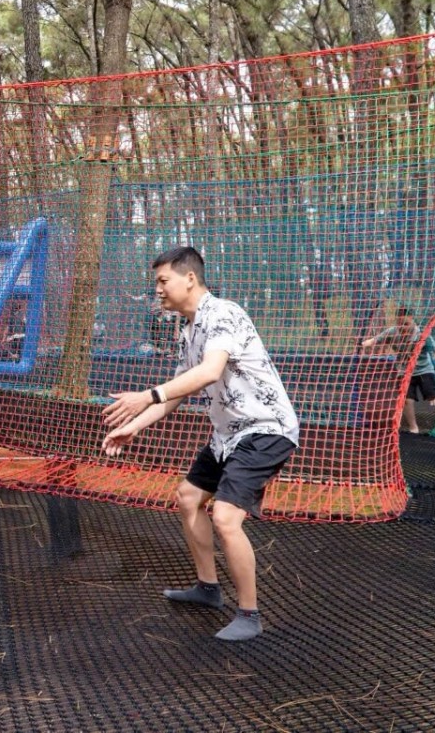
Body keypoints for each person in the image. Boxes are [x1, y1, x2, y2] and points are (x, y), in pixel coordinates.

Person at [101, 246, 299, 642]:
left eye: (162, 281)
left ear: (189, 278)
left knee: (225, 516)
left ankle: (249, 614)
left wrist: (146, 395)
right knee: (189, 496)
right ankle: (208, 589)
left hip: (265, 429)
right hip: (228, 435)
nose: (157, 290)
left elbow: (208, 373)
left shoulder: (223, 314)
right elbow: (177, 392)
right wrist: (135, 425)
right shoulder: (187, 328)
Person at [360, 307, 435, 434]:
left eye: (406, 324)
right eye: (399, 323)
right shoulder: (392, 332)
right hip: (404, 371)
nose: (402, 327)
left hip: (423, 369)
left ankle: (434, 395)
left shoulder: (422, 335)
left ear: (413, 321)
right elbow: (376, 339)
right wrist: (366, 343)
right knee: (406, 400)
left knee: (431, 396)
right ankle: (414, 427)